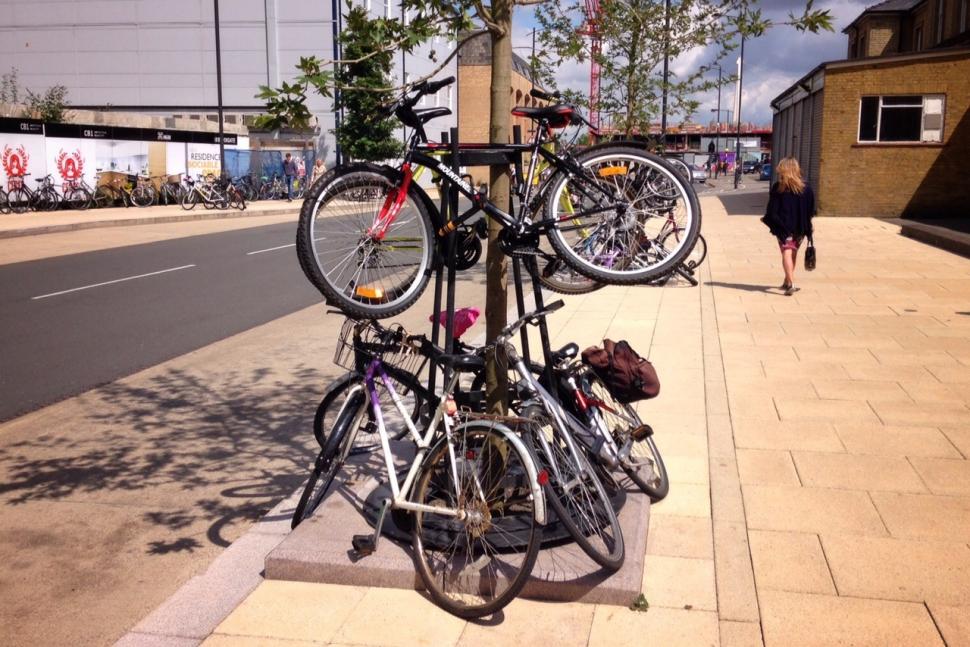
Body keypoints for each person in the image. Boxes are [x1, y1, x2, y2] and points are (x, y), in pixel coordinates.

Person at [761, 157, 815, 296]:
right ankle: (787, 280)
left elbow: (772, 210)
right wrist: (808, 226)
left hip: (783, 227)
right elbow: (811, 210)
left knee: (786, 252)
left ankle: (790, 283)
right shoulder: (807, 189)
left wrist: (771, 222)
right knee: (793, 253)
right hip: (801, 227)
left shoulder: (778, 188)